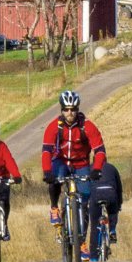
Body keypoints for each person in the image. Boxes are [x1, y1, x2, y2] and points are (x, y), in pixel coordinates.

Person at [40, 89, 106, 227]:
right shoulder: (54, 127)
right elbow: (46, 151)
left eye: (73, 109)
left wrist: (97, 169)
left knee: (85, 200)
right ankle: (54, 208)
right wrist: (47, 172)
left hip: (81, 164)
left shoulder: (87, 126)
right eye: (66, 109)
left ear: (77, 109)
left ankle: (81, 241)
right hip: (61, 161)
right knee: (54, 180)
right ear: (62, 110)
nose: (69, 113)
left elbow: (100, 150)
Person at [84, 160, 123, 254]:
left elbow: (85, 187)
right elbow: (119, 188)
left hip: (96, 194)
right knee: (113, 212)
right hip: (111, 193)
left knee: (94, 225)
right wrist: (119, 204)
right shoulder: (112, 168)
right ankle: (112, 230)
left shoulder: (89, 168)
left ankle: (93, 257)